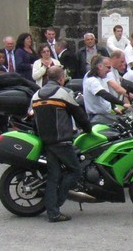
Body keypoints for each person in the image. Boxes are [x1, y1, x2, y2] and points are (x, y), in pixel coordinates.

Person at [31, 67, 92, 223]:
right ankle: (58, 202)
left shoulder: (36, 95)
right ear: (60, 78)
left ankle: (52, 211)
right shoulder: (62, 93)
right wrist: (88, 130)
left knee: (54, 176)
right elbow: (78, 113)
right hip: (62, 141)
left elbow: (33, 120)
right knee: (76, 171)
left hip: (47, 141)